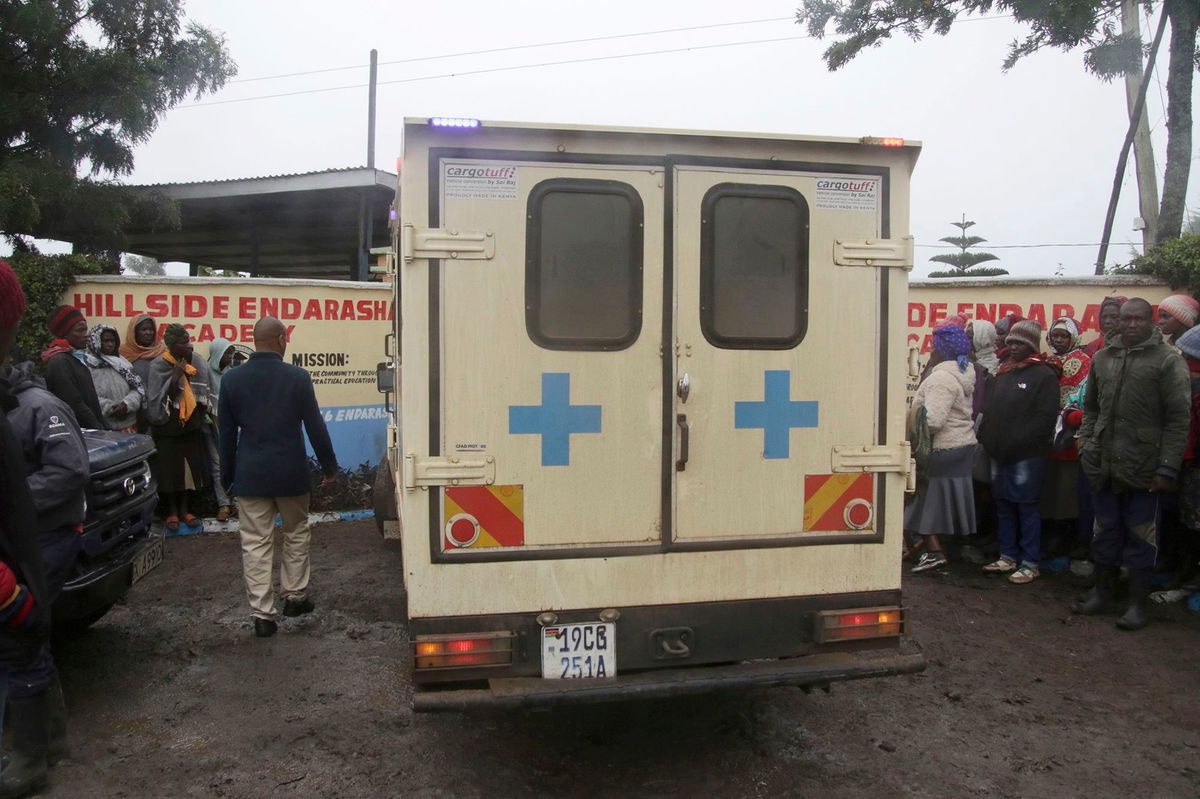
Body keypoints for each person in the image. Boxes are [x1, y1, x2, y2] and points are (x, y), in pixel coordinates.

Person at [1075, 298, 1190, 630]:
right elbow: (1092, 408)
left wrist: (1167, 467)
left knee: (1141, 536)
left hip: (1145, 467)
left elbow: (1178, 420)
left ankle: (1137, 605)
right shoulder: (1101, 358)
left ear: (1151, 321)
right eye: (1126, 319)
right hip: (1104, 464)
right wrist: (1087, 444)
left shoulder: (1168, 361)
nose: (1131, 325)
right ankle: (1102, 593)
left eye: (1139, 319)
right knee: (1105, 531)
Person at [219, 317, 338, 638]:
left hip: (250, 476)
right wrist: (329, 467)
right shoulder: (297, 377)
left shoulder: (232, 380)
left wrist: (227, 478)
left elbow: (226, 437)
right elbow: (316, 426)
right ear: (282, 340)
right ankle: (295, 597)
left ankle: (262, 615)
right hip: (291, 475)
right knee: (296, 532)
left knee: (255, 543)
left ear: (255, 340)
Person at [0, 260, 58, 798]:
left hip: (20, 564)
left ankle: (40, 747)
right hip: (9, 577)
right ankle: (31, 754)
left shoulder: (25, 402)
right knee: (23, 652)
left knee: (29, 652)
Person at [977, 320, 1059, 584]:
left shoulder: (1044, 375)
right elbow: (989, 412)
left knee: (1026, 506)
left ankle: (1030, 562)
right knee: (1003, 505)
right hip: (999, 454)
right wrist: (989, 441)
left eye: (1020, 343)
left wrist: (1016, 445)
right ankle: (1007, 556)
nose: (1013, 346)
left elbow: (1044, 420)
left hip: (1026, 456)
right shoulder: (1003, 372)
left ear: (1032, 345)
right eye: (1011, 341)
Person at [904, 324, 978, 573]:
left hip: (942, 449)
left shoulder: (941, 379)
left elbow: (934, 421)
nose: (931, 350)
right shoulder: (964, 372)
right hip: (962, 447)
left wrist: (911, 423)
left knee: (921, 503)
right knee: (939, 504)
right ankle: (931, 550)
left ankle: (934, 553)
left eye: (934, 346)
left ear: (942, 349)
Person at [145, 324, 212, 532]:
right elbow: (158, 398)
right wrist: (175, 375)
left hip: (189, 427)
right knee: (169, 471)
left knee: (188, 472)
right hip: (167, 428)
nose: (188, 345)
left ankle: (186, 510)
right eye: (183, 342)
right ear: (173, 345)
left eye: (188, 340)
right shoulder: (159, 365)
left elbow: (203, 391)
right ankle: (172, 512)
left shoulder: (196, 361)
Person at [1041, 317, 1091, 553]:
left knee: (1066, 489)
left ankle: (1065, 536)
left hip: (1069, 433)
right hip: (1046, 432)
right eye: (1055, 335)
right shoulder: (1047, 360)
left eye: (1064, 336)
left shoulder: (1083, 362)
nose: (1059, 340)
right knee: (1050, 486)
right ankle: (1051, 532)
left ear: (1074, 338)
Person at [40, 306, 103, 430]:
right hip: (81, 432)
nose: (85, 335)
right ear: (64, 333)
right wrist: (98, 428)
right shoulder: (60, 362)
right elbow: (74, 402)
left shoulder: (76, 357)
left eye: (85, 329)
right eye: (80, 330)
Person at [82, 325, 143, 433]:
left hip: (128, 425)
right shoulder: (86, 366)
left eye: (113, 341)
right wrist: (111, 408)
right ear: (95, 341)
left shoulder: (123, 363)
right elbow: (86, 395)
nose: (110, 344)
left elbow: (137, 388)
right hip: (103, 428)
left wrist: (126, 405)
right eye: (106, 341)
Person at [205, 339, 240, 522]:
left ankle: (235, 501)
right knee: (217, 463)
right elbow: (204, 399)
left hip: (232, 425)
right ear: (218, 353)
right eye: (227, 353)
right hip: (211, 423)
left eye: (231, 354)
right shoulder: (205, 372)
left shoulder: (231, 373)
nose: (230, 357)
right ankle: (223, 504)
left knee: (234, 462)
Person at [118, 314, 164, 431]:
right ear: (134, 332)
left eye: (151, 329)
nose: (148, 333)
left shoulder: (162, 353)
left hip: (160, 411)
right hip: (133, 412)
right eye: (144, 329)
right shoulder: (122, 355)